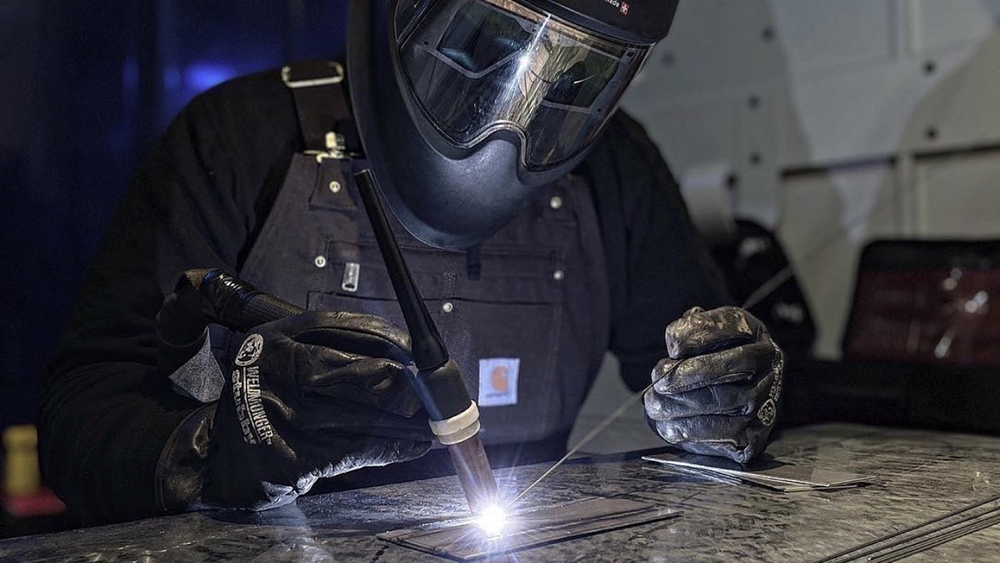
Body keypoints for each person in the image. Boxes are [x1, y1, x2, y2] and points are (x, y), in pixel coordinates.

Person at [40, 0, 784, 524]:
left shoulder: (614, 170)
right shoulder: (240, 137)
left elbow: (705, 365)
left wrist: (734, 394)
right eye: (486, 37)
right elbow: (80, 416)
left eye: (574, 77)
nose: (513, 118)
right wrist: (211, 451)